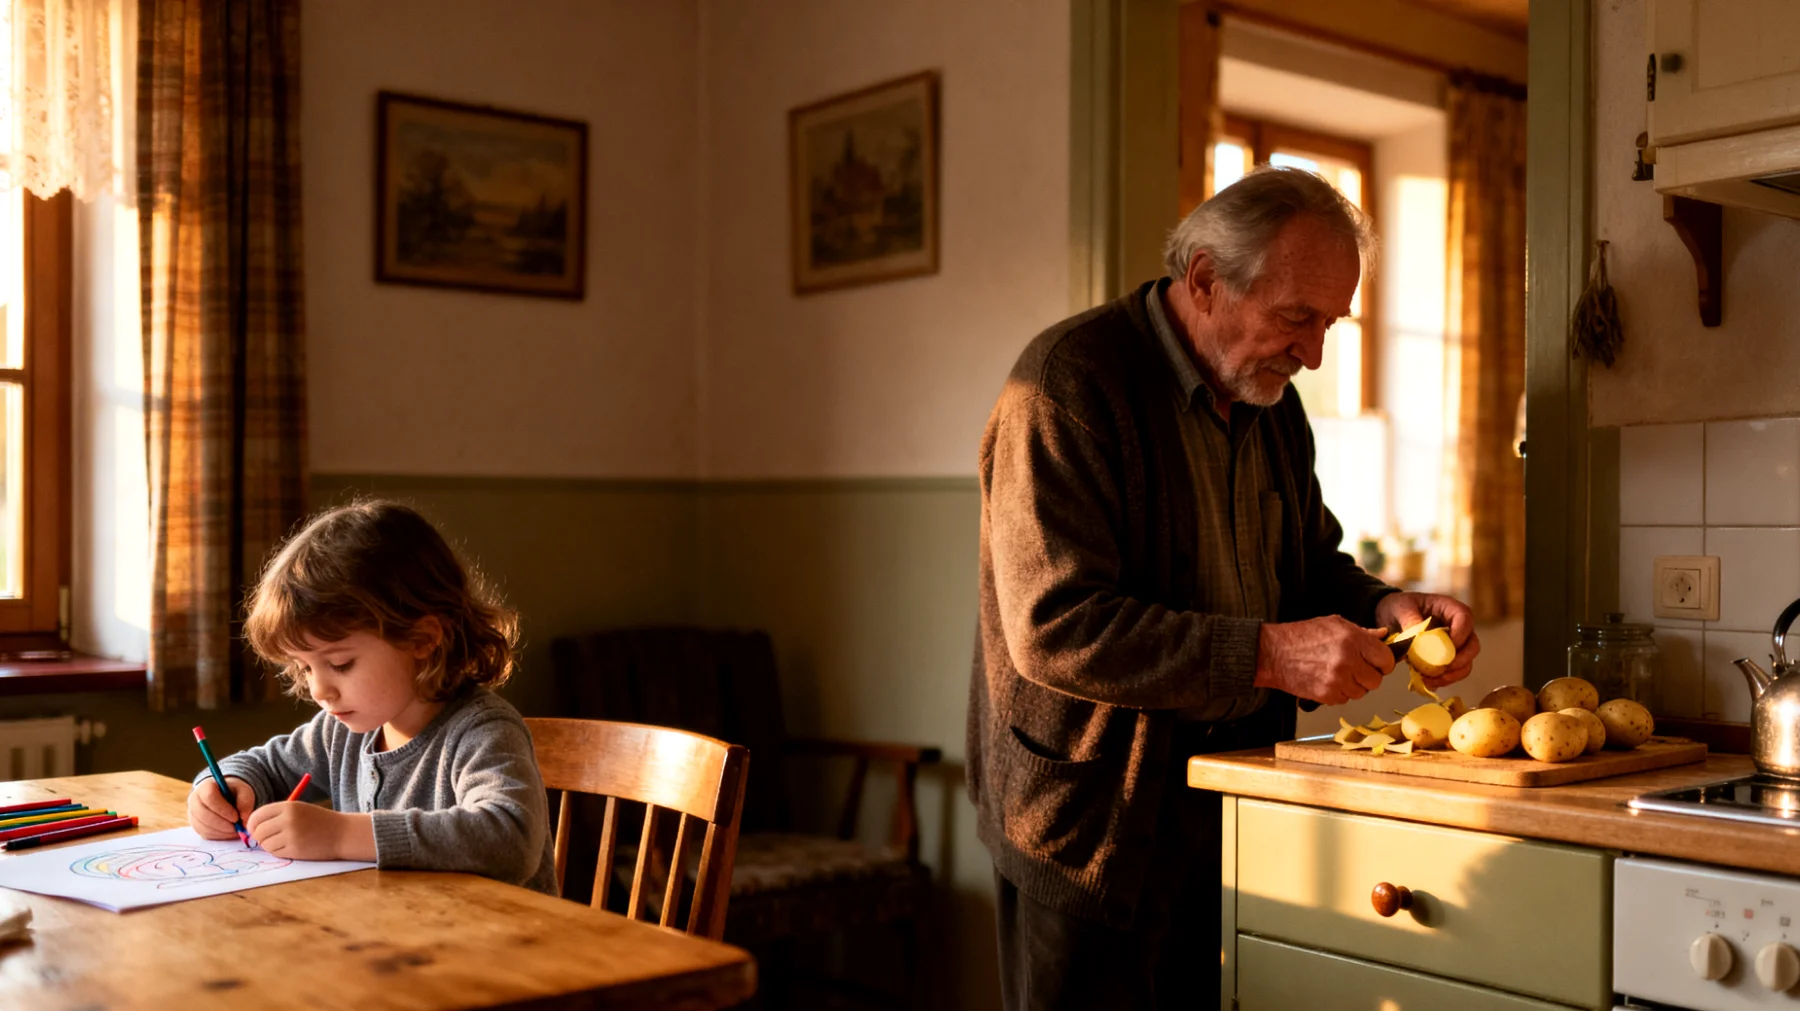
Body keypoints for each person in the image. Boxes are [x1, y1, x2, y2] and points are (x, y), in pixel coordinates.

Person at [966, 166, 1481, 1010]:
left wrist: (1386, 606)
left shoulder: (1272, 397)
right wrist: (1269, 653)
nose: (1314, 353)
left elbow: (1310, 562)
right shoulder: (1066, 384)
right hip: (1091, 822)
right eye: (1296, 317)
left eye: (1330, 324)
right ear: (1204, 280)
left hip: (1236, 802)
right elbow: (1056, 626)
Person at [186, 500, 557, 896]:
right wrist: (221, 788)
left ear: (422, 639)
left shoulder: (481, 731)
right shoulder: (341, 731)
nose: (318, 690)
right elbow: (267, 767)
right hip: (395, 940)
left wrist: (341, 835)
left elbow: (509, 840)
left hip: (504, 948)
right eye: (305, 667)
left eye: (341, 663)